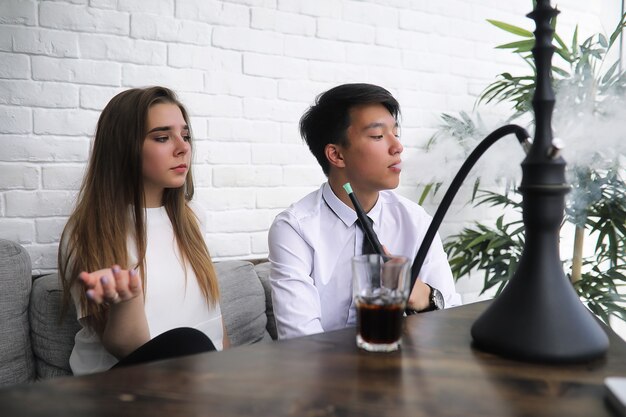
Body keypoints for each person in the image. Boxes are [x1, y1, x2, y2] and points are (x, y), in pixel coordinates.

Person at [268, 83, 462, 339]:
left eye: (396, 132)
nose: (398, 147)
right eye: (378, 136)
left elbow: (451, 321)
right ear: (336, 155)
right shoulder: (295, 229)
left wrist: (420, 294)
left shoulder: (415, 221)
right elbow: (300, 341)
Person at [58, 86, 229, 375]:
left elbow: (216, 327)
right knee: (187, 343)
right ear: (124, 148)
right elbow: (129, 349)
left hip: (202, 383)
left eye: (185, 135)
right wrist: (128, 301)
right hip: (126, 386)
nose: (183, 147)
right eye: (162, 137)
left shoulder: (192, 218)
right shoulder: (87, 232)